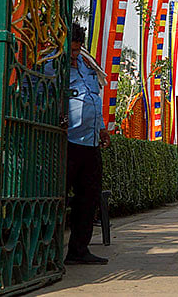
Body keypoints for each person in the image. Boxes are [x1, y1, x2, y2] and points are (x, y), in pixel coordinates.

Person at [64, 24, 110, 265]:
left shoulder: (87, 66)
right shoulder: (51, 67)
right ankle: (46, 251)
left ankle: (79, 250)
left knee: (88, 198)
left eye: (77, 49)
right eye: (71, 50)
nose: (74, 55)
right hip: (67, 142)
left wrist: (101, 128)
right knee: (59, 198)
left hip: (90, 143)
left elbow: (94, 98)